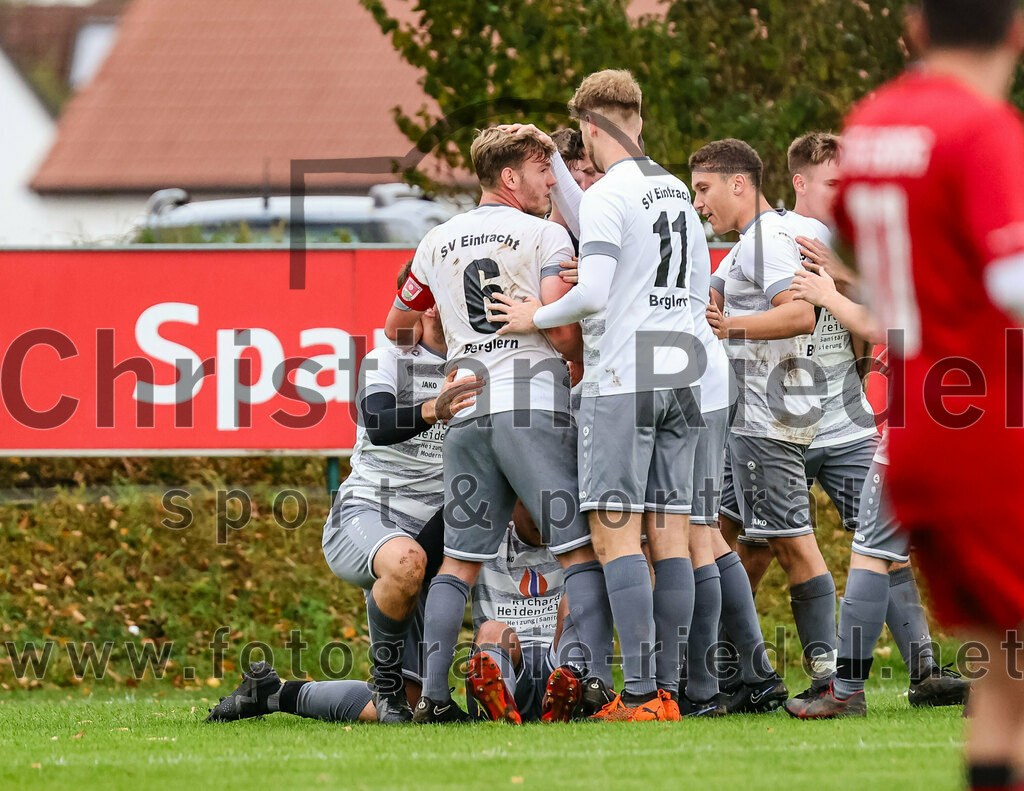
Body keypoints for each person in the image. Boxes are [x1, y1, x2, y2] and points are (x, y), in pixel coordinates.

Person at [830, 1, 1024, 781]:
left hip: (917, 428)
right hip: (990, 426)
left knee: (1000, 681)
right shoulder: (981, 129)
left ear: (914, 28)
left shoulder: (871, 122)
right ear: (1016, 32)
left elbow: (860, 238)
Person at [489, 69, 703, 721]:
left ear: (588, 127)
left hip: (624, 379)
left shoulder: (609, 193)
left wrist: (533, 315)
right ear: (637, 117)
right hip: (686, 375)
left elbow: (596, 290)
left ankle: (637, 694)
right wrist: (550, 151)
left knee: (614, 536)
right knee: (670, 540)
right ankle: (667, 689)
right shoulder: (674, 192)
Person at [385, 127, 615, 724]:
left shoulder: (434, 240)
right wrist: (583, 360)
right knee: (579, 551)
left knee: (458, 564)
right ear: (510, 177)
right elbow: (563, 333)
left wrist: (455, 340)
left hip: (465, 411)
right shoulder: (546, 234)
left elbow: (397, 326)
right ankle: (590, 683)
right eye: (544, 172)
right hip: (531, 406)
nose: (551, 184)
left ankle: (434, 701)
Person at [783, 265, 968, 717]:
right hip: (990, 427)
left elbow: (883, 324)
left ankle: (844, 691)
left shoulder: (933, 247)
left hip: (931, 423)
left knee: (871, 549)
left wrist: (828, 292)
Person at [695, 139, 837, 700]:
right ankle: (737, 672)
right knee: (715, 534)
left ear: (739, 183)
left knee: (792, 544)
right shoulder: (751, 242)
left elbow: (801, 313)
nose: (699, 203)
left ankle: (833, 681)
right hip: (746, 417)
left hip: (768, 418)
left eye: (704, 189)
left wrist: (727, 328)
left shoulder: (765, 242)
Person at [317, 261, 484, 723]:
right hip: (368, 513)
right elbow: (379, 423)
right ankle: (388, 688)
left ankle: (273, 693)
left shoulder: (486, 358)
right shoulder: (388, 356)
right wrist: (435, 408)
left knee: (413, 711)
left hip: (437, 530)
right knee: (407, 562)